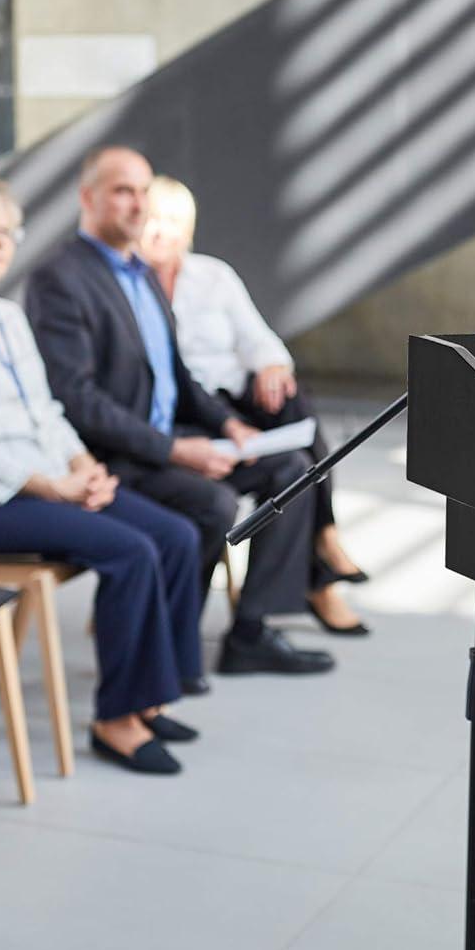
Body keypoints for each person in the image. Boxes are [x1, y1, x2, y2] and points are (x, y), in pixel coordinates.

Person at [0, 170, 202, 775]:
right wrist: (52, 485)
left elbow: (47, 413)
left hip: (45, 486)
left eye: (9, 232)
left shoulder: (6, 316)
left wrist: (85, 466)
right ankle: (116, 721)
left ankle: (150, 696)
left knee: (177, 536)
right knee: (133, 552)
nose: (1, 244)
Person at [24, 146, 334, 679]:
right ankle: (170, 646)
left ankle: (250, 631)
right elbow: (76, 399)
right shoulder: (63, 277)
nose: (137, 205)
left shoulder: (137, 275)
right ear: (88, 197)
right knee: (211, 503)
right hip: (114, 454)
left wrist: (226, 424)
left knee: (293, 472)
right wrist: (175, 450)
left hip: (170, 435)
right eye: (123, 191)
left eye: (143, 192)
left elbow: (177, 376)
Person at [138, 175, 369, 635]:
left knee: (291, 397)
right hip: (187, 409)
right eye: (152, 219)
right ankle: (318, 575)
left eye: (173, 221)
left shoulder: (213, 275)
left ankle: (325, 534)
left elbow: (257, 336)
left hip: (235, 396)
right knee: (294, 465)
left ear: (188, 229)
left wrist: (271, 367)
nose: (161, 231)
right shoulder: (126, 285)